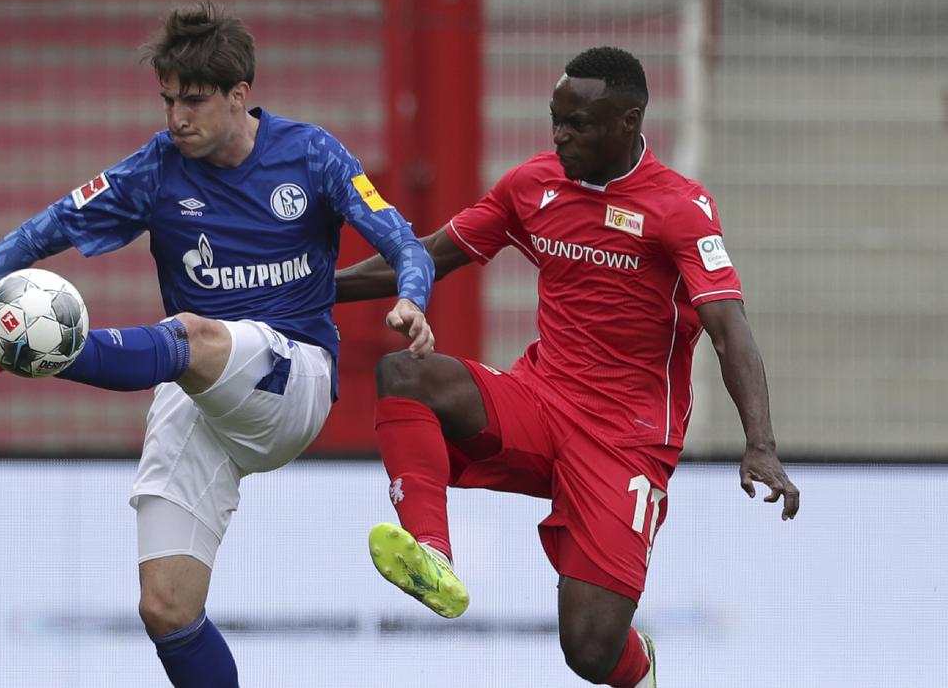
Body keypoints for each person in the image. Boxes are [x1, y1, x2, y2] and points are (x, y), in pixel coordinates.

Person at [0, 0, 435, 688]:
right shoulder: (156, 169)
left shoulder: (310, 153)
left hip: (293, 378)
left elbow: (404, 241)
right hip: (198, 393)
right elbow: (42, 231)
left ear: (239, 94)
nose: (177, 118)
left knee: (190, 333)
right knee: (165, 607)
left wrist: (412, 298)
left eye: (194, 100)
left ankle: (17, 347)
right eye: (168, 100)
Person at [334, 46, 800, 688]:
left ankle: (641, 667)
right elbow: (427, 254)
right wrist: (315, 288)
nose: (560, 136)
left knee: (589, 650)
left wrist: (760, 444)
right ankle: (433, 555)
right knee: (407, 374)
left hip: (625, 441)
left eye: (578, 123)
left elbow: (730, 328)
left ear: (630, 121)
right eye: (556, 120)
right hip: (540, 400)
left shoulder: (679, 209)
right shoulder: (533, 186)